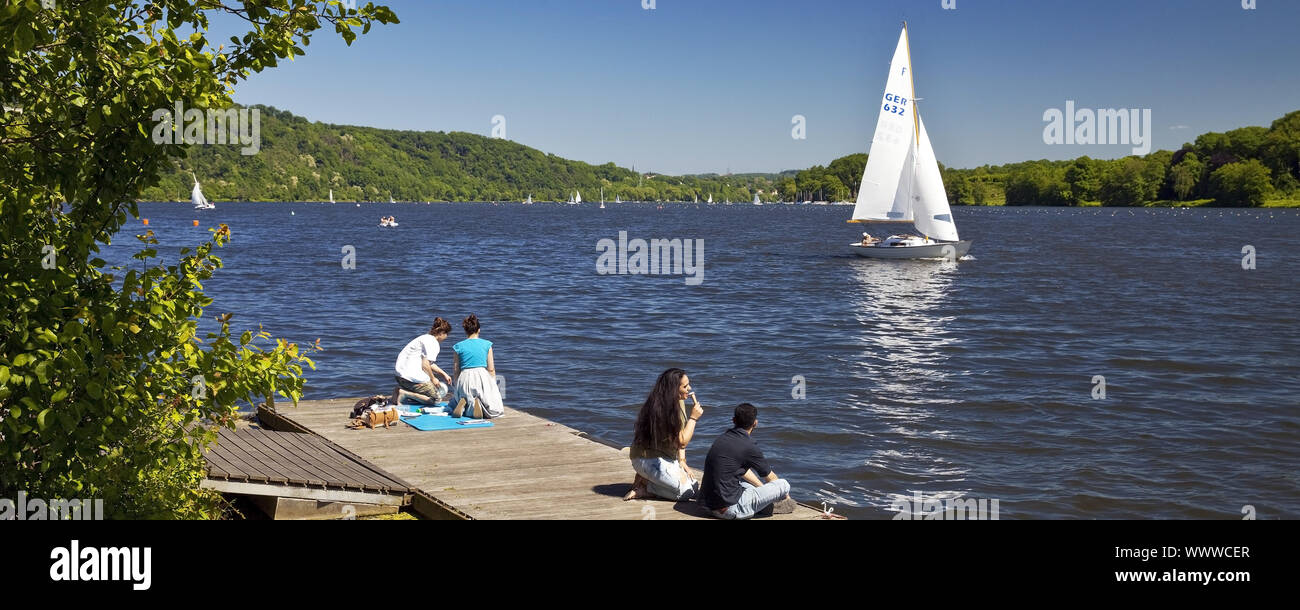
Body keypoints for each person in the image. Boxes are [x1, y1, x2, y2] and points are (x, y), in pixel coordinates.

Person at [697, 403, 794, 519]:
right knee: (783, 484)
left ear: (733, 420)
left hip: (706, 506)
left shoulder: (722, 439)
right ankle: (771, 506)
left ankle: (763, 506)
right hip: (728, 510)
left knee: (748, 486)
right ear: (755, 423)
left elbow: (742, 470)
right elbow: (771, 477)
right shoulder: (749, 446)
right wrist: (785, 497)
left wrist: (761, 488)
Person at [622, 368, 703, 502]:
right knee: (684, 493)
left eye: (688, 384)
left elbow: (679, 436)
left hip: (665, 457)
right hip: (647, 459)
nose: (689, 388)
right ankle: (645, 488)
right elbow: (682, 441)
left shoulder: (679, 401)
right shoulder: (663, 409)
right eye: (685, 386)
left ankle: (646, 479)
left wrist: (682, 462)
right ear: (673, 389)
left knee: (694, 487)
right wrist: (693, 419)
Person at [449, 314, 504, 419]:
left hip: (465, 377)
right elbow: (491, 369)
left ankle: (463, 405)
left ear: (465, 330)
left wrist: (457, 386)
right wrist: (492, 384)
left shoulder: (458, 346)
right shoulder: (487, 344)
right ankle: (479, 406)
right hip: (481, 376)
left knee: (461, 396)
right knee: (494, 405)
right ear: (479, 330)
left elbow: (456, 370)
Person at [391, 317, 453, 407]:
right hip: (411, 378)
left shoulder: (424, 338)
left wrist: (443, 374)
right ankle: (404, 393)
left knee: (425, 393)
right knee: (436, 400)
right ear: (441, 333)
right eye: (447, 334)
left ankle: (400, 391)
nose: (446, 337)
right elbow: (425, 365)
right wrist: (433, 378)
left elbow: (429, 363)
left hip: (400, 376)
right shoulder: (433, 343)